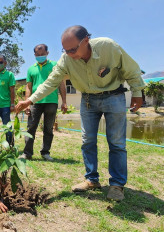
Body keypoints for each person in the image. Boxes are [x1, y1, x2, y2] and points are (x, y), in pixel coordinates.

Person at [16, 25, 146, 201]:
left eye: (73, 49)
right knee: (87, 140)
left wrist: (137, 92)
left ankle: (116, 185)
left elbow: (131, 70)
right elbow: (51, 82)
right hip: (88, 100)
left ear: (86, 40)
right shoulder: (66, 59)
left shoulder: (108, 47)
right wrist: (29, 100)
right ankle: (91, 179)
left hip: (113, 97)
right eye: (65, 50)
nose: (69, 54)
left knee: (116, 142)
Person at [20, 44, 68, 161]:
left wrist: (64, 101)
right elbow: (28, 87)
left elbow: (61, 84)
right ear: (35, 55)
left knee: (48, 128)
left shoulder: (55, 66)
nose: (40, 56)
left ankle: (45, 152)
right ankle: (27, 153)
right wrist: (27, 103)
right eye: (38, 54)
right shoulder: (31, 69)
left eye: (42, 54)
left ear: (47, 53)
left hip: (51, 101)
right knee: (31, 127)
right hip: (34, 102)